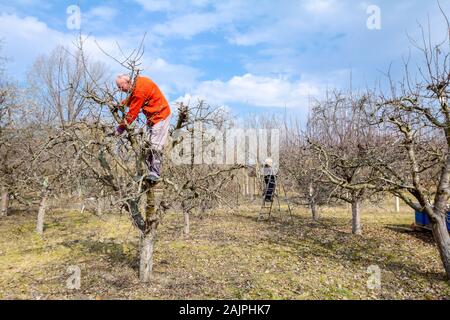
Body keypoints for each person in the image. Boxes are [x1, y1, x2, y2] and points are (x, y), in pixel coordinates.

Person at [115, 74, 172, 183]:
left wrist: (120, 128)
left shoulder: (139, 90)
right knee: (146, 146)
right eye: (118, 88)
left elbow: (132, 113)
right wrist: (121, 104)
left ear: (128, 82)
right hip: (152, 118)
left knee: (155, 146)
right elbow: (133, 98)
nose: (120, 90)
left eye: (121, 87)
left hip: (161, 115)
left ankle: (155, 173)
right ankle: (148, 173)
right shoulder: (138, 83)